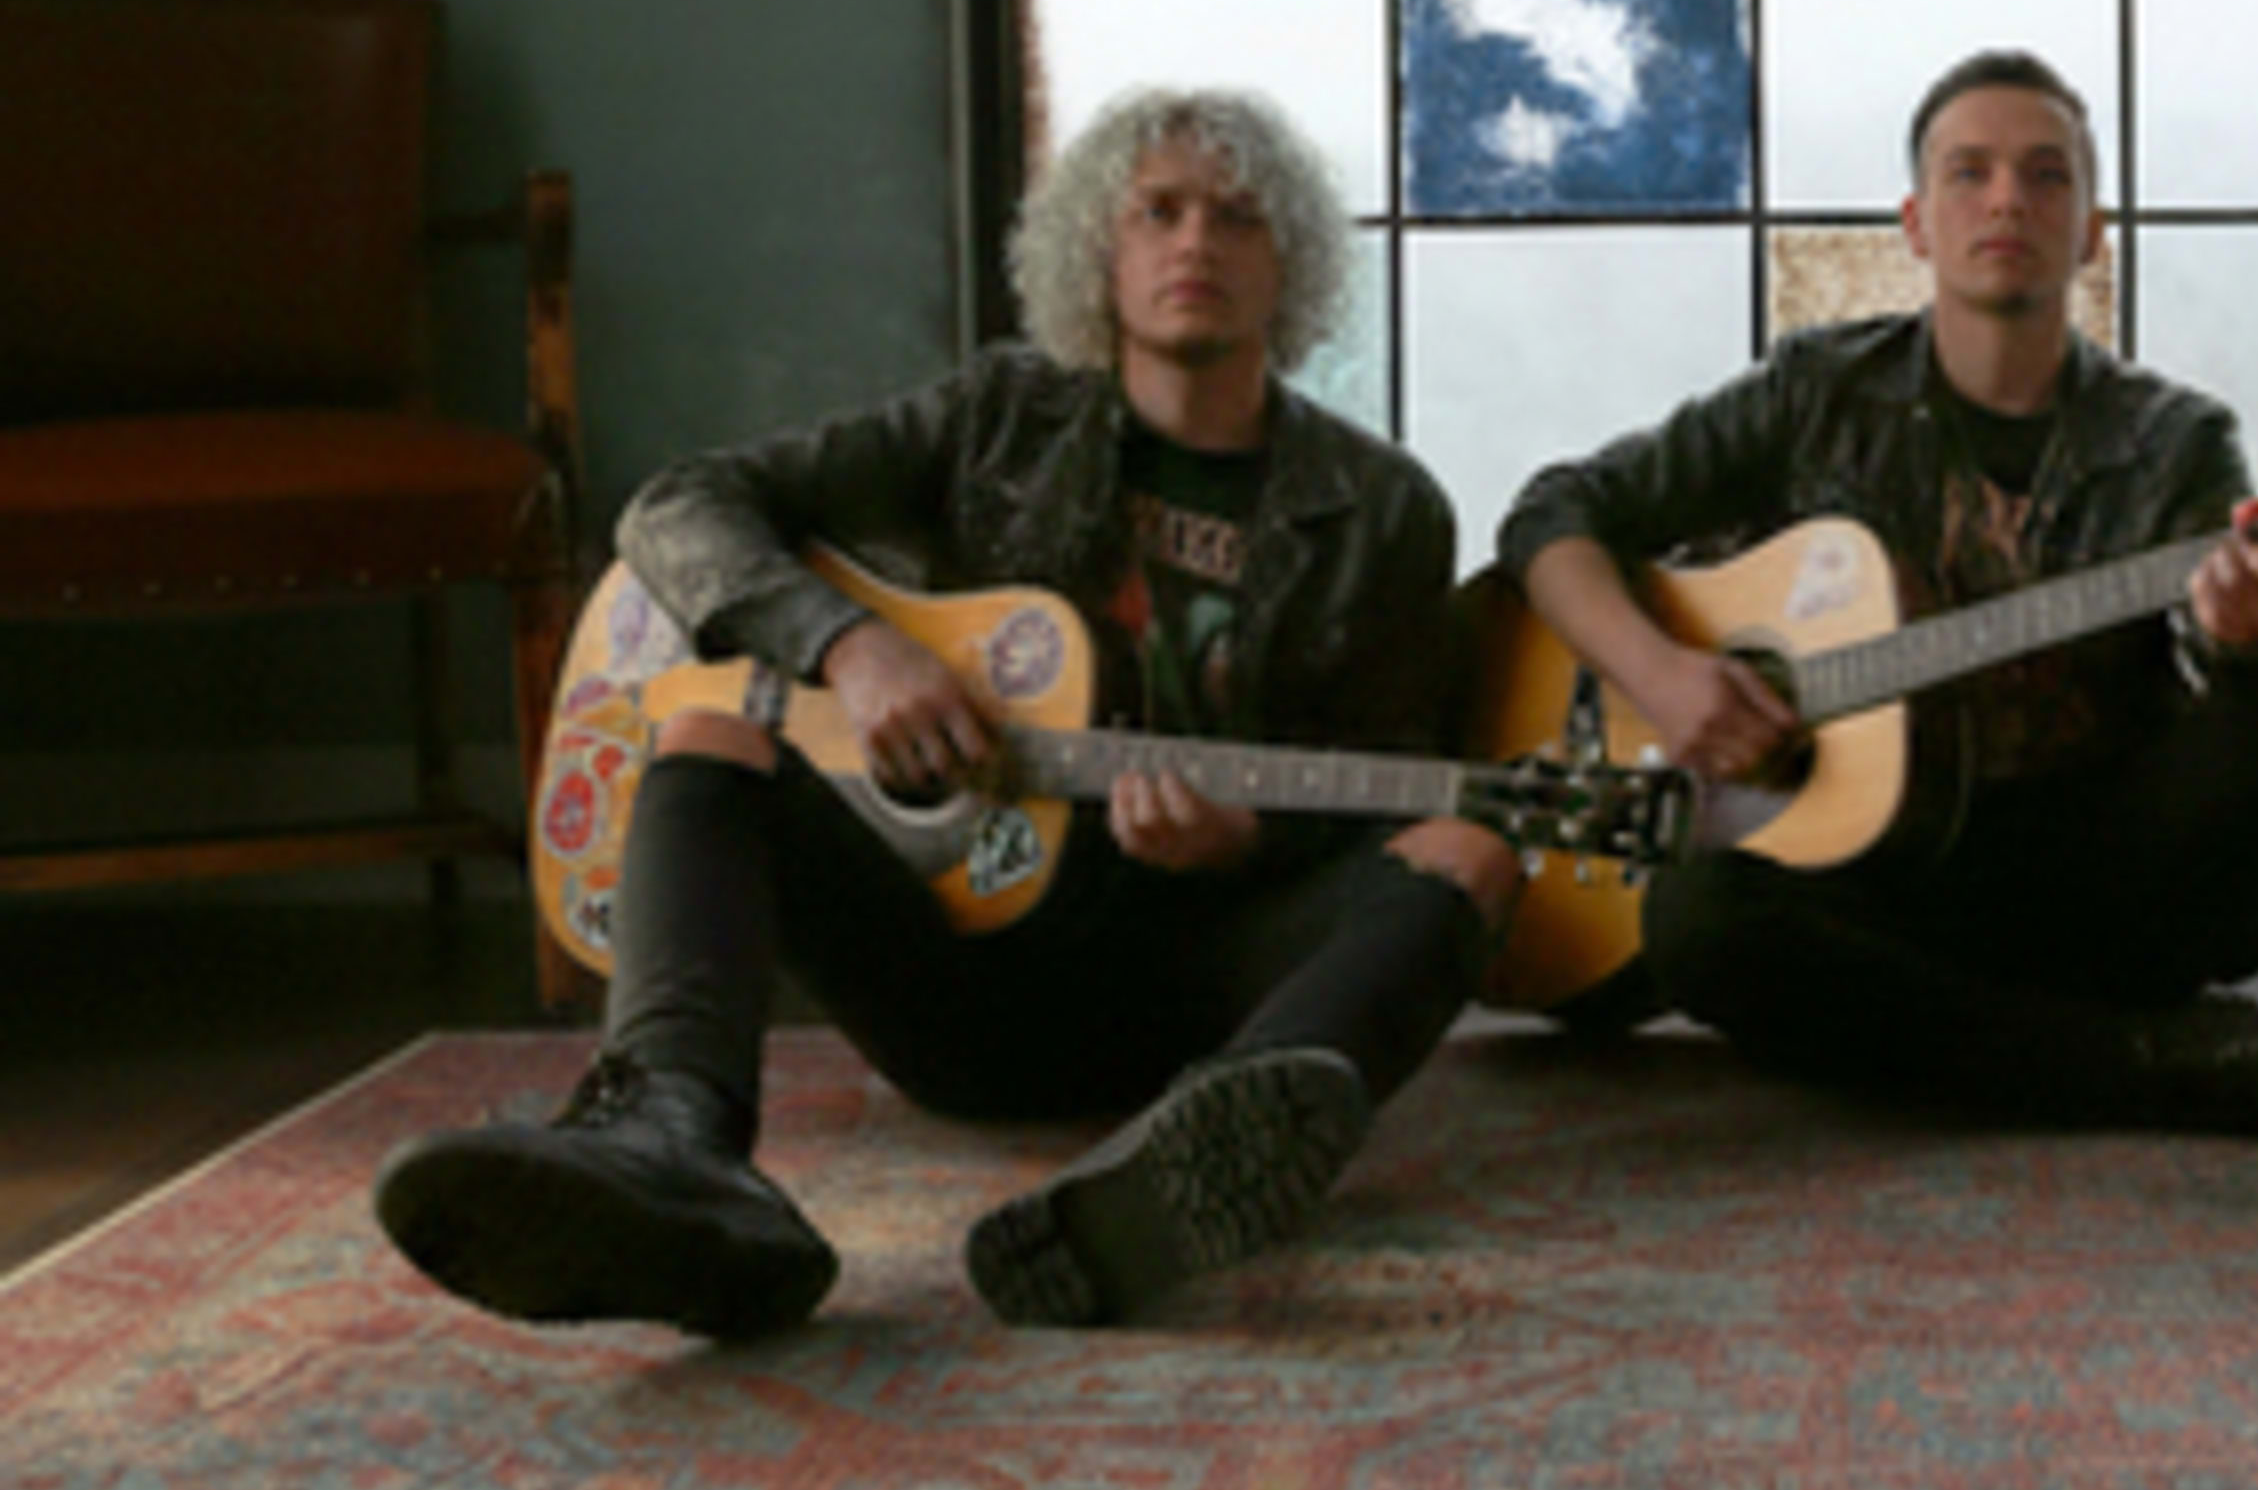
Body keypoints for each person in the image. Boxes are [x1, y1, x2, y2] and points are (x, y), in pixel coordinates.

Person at [376, 89, 1520, 1339]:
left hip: (1213, 989)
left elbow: (1394, 768)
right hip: (964, 976)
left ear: (1288, 261)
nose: (1197, 243)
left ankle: (1205, 1157)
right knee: (709, 733)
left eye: (1238, 217)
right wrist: (852, 649)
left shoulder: (1385, 509)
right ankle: (669, 1141)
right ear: (1101, 247)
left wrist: (1243, 839)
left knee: (1467, 846)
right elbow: (678, 507)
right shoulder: (997, 421)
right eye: (1160, 211)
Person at [1495, 48, 2258, 1226]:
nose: (2008, 200)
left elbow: (2248, 637)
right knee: (1699, 925)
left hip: (2101, 878)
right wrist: (1661, 671)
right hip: (1886, 886)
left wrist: (2247, 633)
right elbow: (1551, 516)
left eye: (2046, 177)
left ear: (2093, 231)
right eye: (1971, 173)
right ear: (1915, 222)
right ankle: (2201, 1066)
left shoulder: (2174, 439)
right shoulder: (1814, 393)